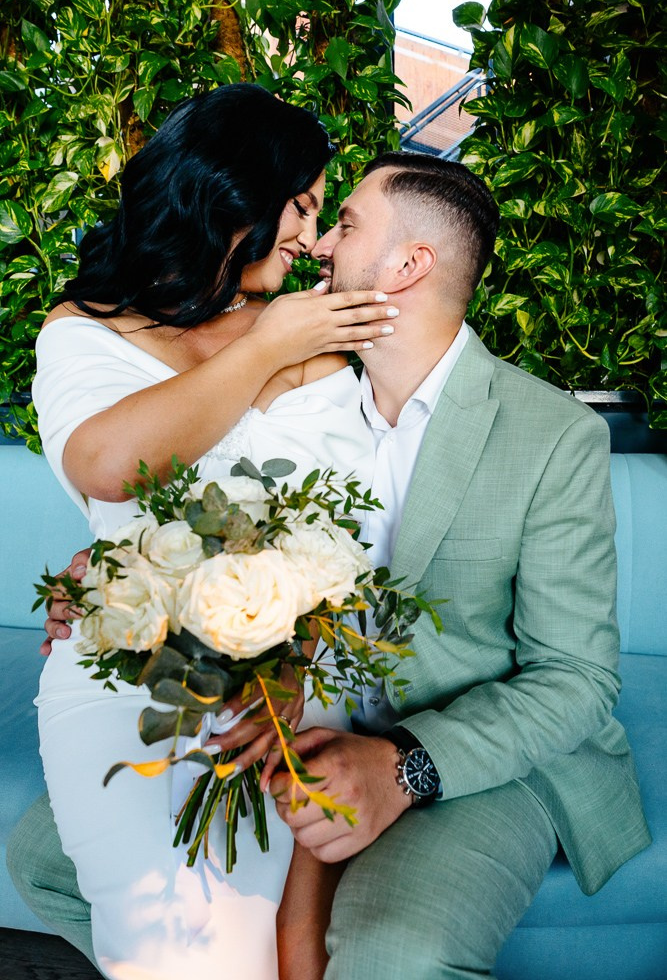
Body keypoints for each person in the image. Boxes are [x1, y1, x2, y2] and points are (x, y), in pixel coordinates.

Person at [12, 152, 651, 979]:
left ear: (408, 264)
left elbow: (573, 677)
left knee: (392, 953)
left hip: (471, 755)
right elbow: (193, 518)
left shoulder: (549, 435)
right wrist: (108, 584)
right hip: (279, 721)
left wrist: (403, 768)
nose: (313, 245)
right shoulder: (297, 384)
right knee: (44, 856)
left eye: (344, 225)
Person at [10, 82, 400, 980]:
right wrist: (262, 352)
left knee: (255, 947)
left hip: (290, 683)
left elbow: (355, 525)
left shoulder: (316, 331)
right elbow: (110, 468)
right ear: (234, 193)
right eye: (301, 205)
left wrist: (295, 659)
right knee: (168, 954)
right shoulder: (83, 330)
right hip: (125, 670)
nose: (309, 237)